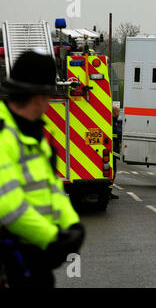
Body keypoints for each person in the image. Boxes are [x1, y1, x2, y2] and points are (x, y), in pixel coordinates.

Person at [0, 50, 85, 287]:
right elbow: (6, 204)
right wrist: (52, 238)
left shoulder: (37, 137)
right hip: (10, 262)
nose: (49, 102)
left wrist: (72, 225)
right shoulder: (3, 136)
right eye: (48, 96)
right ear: (39, 97)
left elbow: (53, 188)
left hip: (34, 263)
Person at [110, 105, 121, 199]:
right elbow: (114, 135)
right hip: (112, 151)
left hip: (113, 151)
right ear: (114, 112)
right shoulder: (112, 122)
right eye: (118, 112)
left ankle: (109, 191)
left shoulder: (114, 121)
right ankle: (108, 192)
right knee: (112, 172)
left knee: (113, 172)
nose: (119, 114)